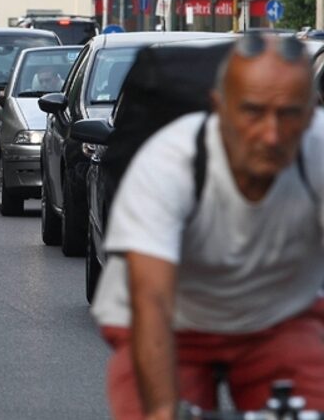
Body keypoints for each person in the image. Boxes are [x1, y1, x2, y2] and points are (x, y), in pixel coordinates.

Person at [90, 32, 324, 420]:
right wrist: (163, 410)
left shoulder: (318, 152)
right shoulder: (169, 163)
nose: (271, 135)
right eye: (252, 111)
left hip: (277, 316)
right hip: (171, 322)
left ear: (311, 110)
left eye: (289, 114)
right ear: (220, 108)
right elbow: (153, 300)